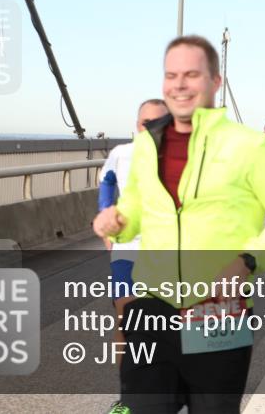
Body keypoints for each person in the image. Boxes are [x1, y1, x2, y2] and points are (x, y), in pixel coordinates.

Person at [93, 35, 265, 412]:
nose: (179, 83)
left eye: (191, 74)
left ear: (215, 82)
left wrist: (247, 261)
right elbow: (137, 209)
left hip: (217, 308)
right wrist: (118, 222)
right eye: (171, 74)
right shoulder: (148, 146)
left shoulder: (252, 147)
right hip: (151, 305)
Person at [98, 98, 169, 380]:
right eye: (145, 123)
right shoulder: (121, 154)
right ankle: (129, 393)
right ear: (136, 126)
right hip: (128, 250)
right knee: (126, 321)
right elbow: (106, 183)